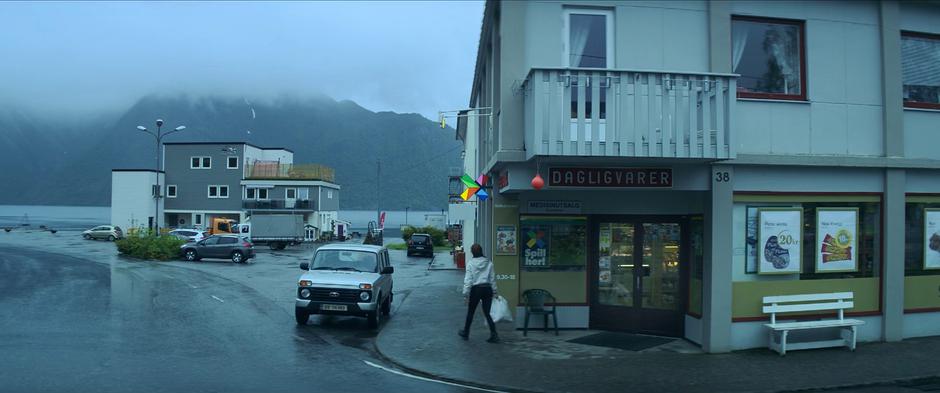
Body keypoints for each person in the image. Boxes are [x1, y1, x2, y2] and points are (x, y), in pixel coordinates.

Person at [458, 243, 500, 343]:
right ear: (481, 251)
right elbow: (492, 278)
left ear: (472, 252)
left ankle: (466, 332)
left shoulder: (471, 263)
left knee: (471, 312)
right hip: (487, 289)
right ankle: (494, 334)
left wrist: (465, 293)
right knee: (487, 313)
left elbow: (468, 280)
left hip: (476, 290)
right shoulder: (489, 262)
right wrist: (495, 291)